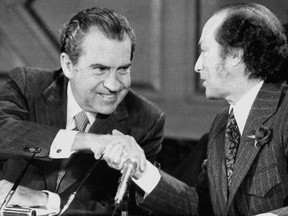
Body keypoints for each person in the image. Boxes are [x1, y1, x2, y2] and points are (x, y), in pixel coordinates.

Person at [104, 3, 288, 216]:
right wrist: (142, 169)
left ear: (235, 55)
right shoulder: (222, 125)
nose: (197, 65)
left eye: (204, 51)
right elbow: (198, 206)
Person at [0, 6, 165, 215]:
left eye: (123, 69)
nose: (114, 85)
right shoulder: (27, 85)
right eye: (100, 69)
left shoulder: (147, 120)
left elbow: (131, 210)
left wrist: (48, 201)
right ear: (68, 65)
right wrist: (89, 140)